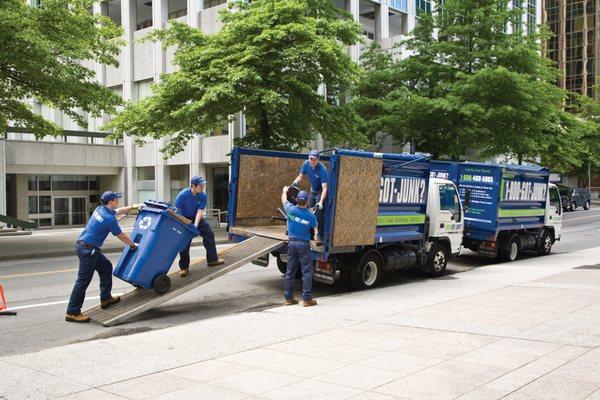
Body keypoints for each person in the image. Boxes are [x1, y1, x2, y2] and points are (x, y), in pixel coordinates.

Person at [66, 192, 140, 323]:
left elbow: (118, 211)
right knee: (83, 281)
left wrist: (134, 207)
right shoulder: (108, 218)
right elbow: (121, 235)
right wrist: (133, 245)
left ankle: (106, 299)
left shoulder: (100, 209)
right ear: (111, 202)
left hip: (87, 246)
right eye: (116, 199)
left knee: (106, 267)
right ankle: (72, 312)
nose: (118, 201)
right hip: (88, 250)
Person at [174, 176, 224, 277]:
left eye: (203, 185)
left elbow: (199, 212)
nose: (202, 187)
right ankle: (184, 267)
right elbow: (177, 211)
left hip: (196, 217)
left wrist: (195, 226)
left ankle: (212, 260)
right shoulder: (183, 195)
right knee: (185, 241)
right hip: (183, 218)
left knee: (209, 234)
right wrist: (187, 224)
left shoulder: (203, 196)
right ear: (193, 185)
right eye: (200, 185)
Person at [281, 187, 318, 307]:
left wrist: (285, 191)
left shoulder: (290, 210)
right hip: (304, 245)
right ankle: (307, 299)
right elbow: (315, 228)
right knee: (306, 271)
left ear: (296, 200)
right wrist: (316, 238)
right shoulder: (310, 216)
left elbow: (283, 199)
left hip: (291, 244)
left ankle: (289, 298)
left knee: (290, 271)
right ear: (307, 201)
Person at [292, 150, 328, 246]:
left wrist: (321, 202)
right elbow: (300, 176)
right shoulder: (306, 164)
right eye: (310, 158)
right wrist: (294, 183)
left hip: (320, 191)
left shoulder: (322, 170)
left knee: (319, 213)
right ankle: (310, 235)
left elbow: (325, 188)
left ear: (318, 159)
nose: (312, 160)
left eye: (314, 159)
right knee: (308, 211)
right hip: (313, 190)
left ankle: (320, 237)